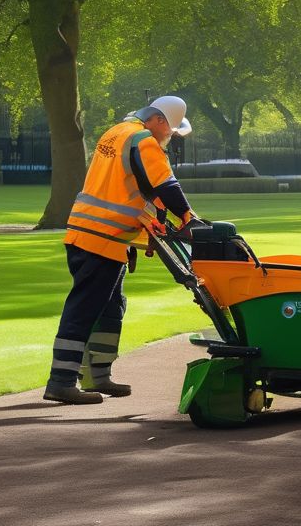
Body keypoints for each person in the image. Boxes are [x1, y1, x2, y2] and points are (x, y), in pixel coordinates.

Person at [44, 95, 201, 405]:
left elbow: (130, 188)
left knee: (111, 306)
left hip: (94, 233)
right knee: (85, 307)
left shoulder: (116, 133)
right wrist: (188, 217)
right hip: (102, 237)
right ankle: (61, 381)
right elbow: (166, 184)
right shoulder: (143, 140)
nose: (169, 137)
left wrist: (153, 226)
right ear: (158, 120)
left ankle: (98, 376)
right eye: (170, 130)